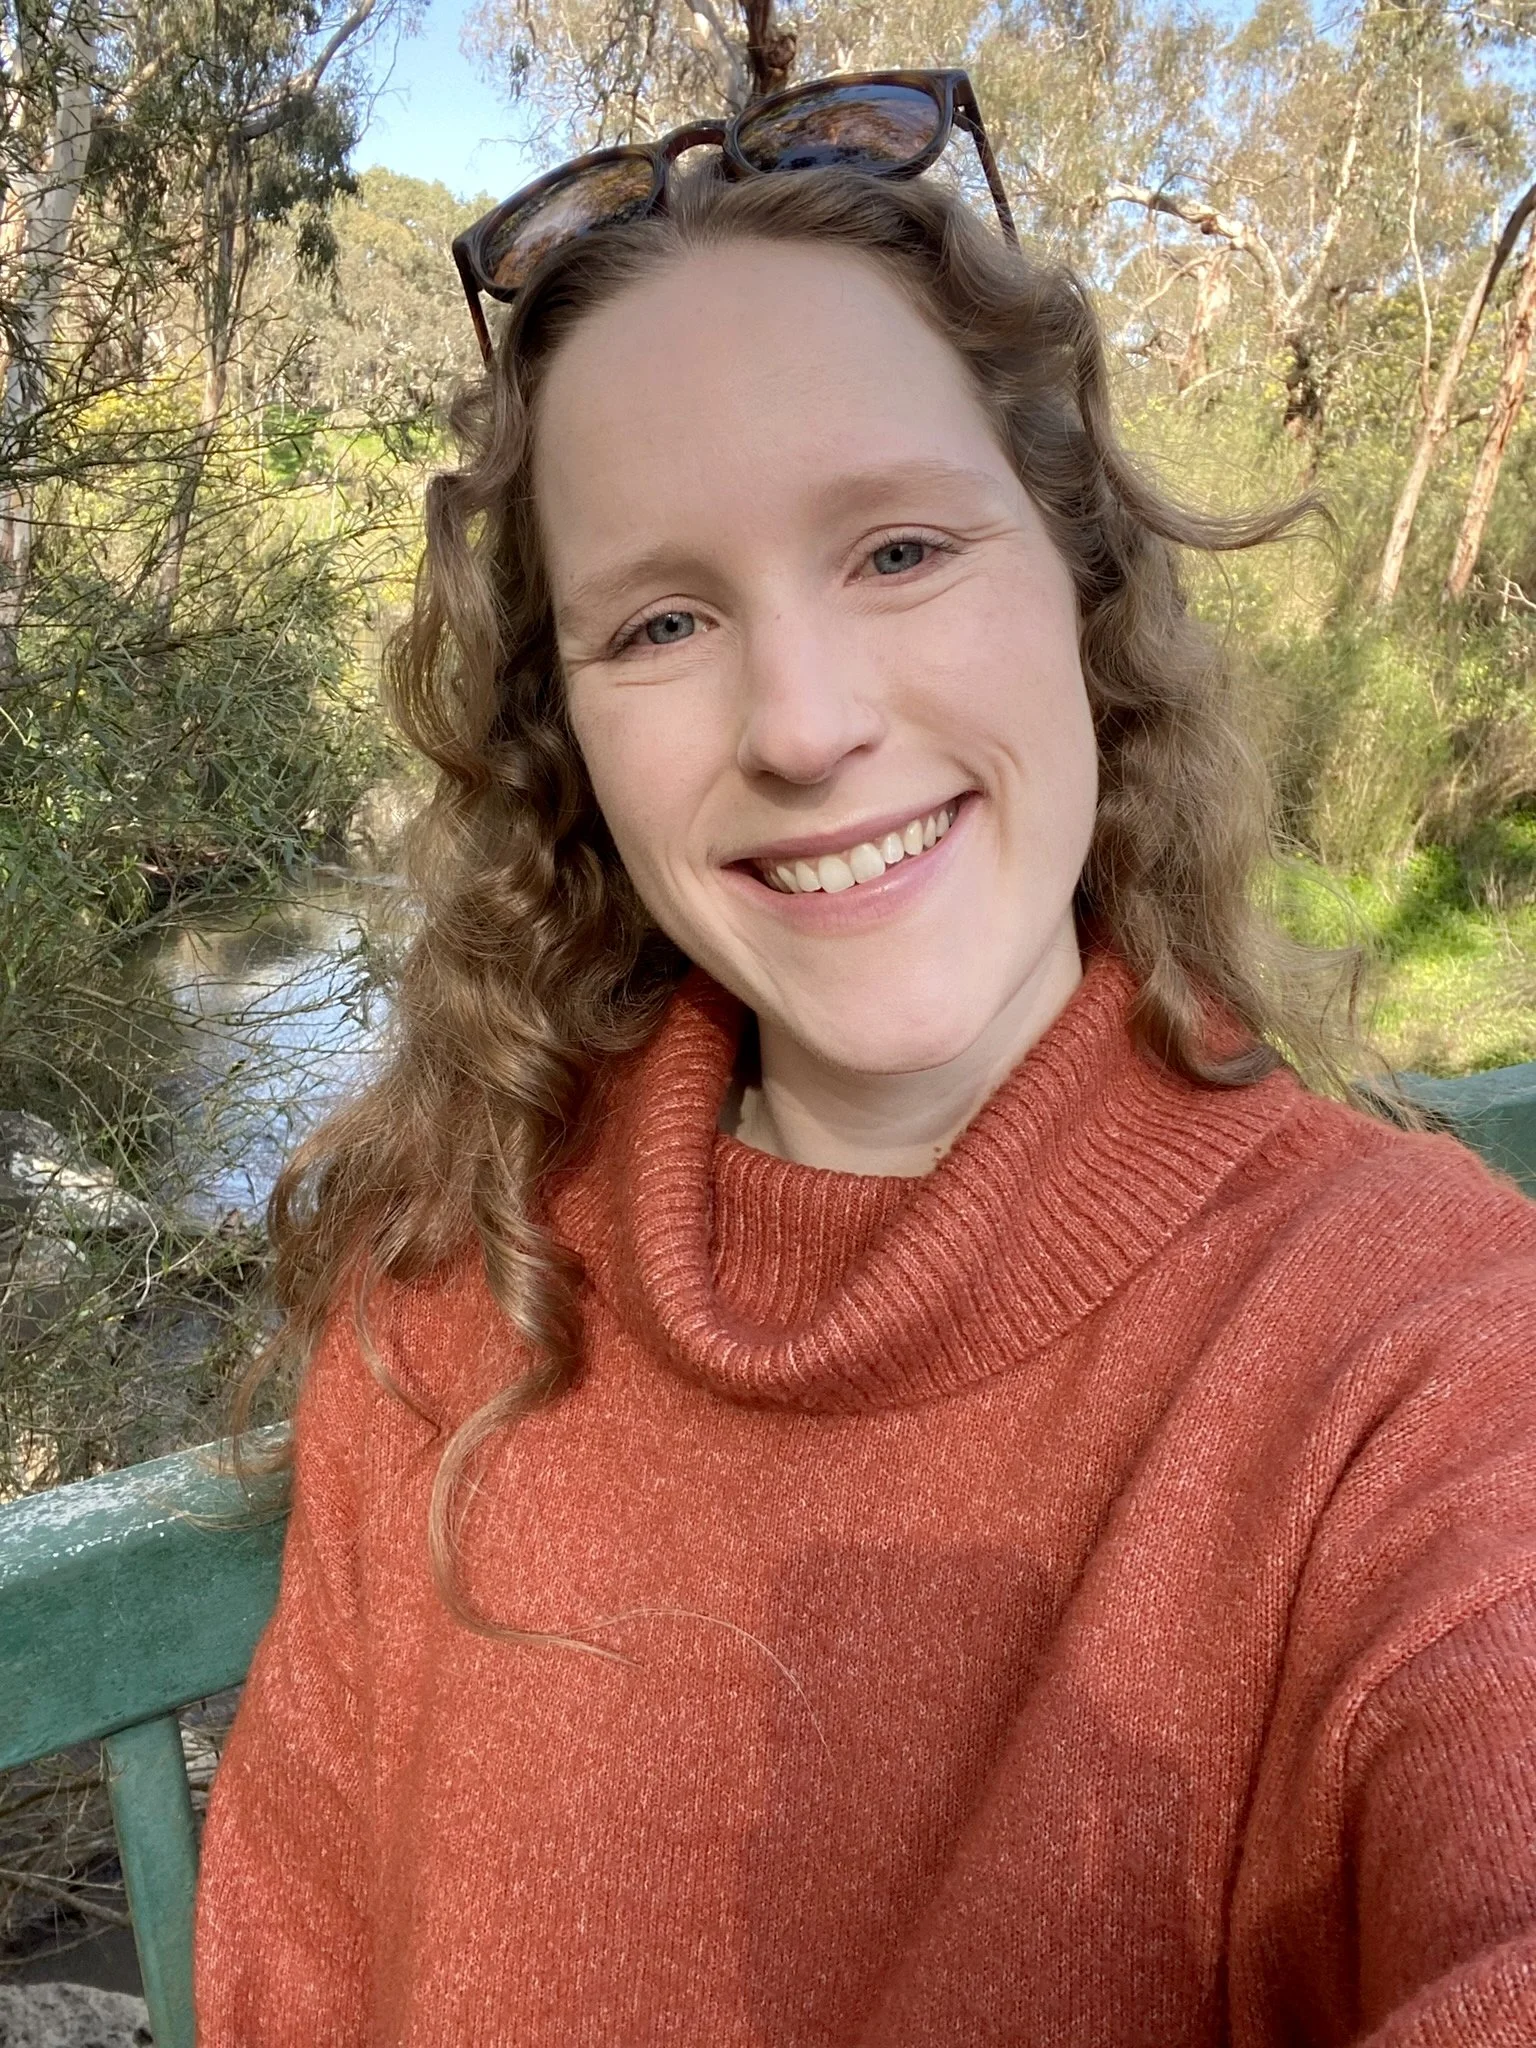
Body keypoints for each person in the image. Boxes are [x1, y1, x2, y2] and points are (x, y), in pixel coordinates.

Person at [194, 70, 1536, 2048]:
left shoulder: (1420, 1356)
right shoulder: (448, 1298)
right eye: (662, 621)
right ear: (567, 735)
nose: (803, 724)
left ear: (1079, 587)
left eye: (899, 551)